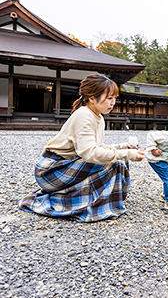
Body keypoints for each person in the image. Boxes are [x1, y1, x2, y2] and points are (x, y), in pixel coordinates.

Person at [19, 74, 145, 222]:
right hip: (51, 171)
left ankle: (92, 200)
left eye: (114, 98)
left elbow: (96, 147)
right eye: (109, 98)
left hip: (66, 165)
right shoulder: (84, 115)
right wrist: (127, 153)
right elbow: (90, 153)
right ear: (92, 98)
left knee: (117, 158)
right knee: (116, 162)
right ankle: (84, 203)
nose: (113, 102)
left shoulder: (96, 116)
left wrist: (124, 147)